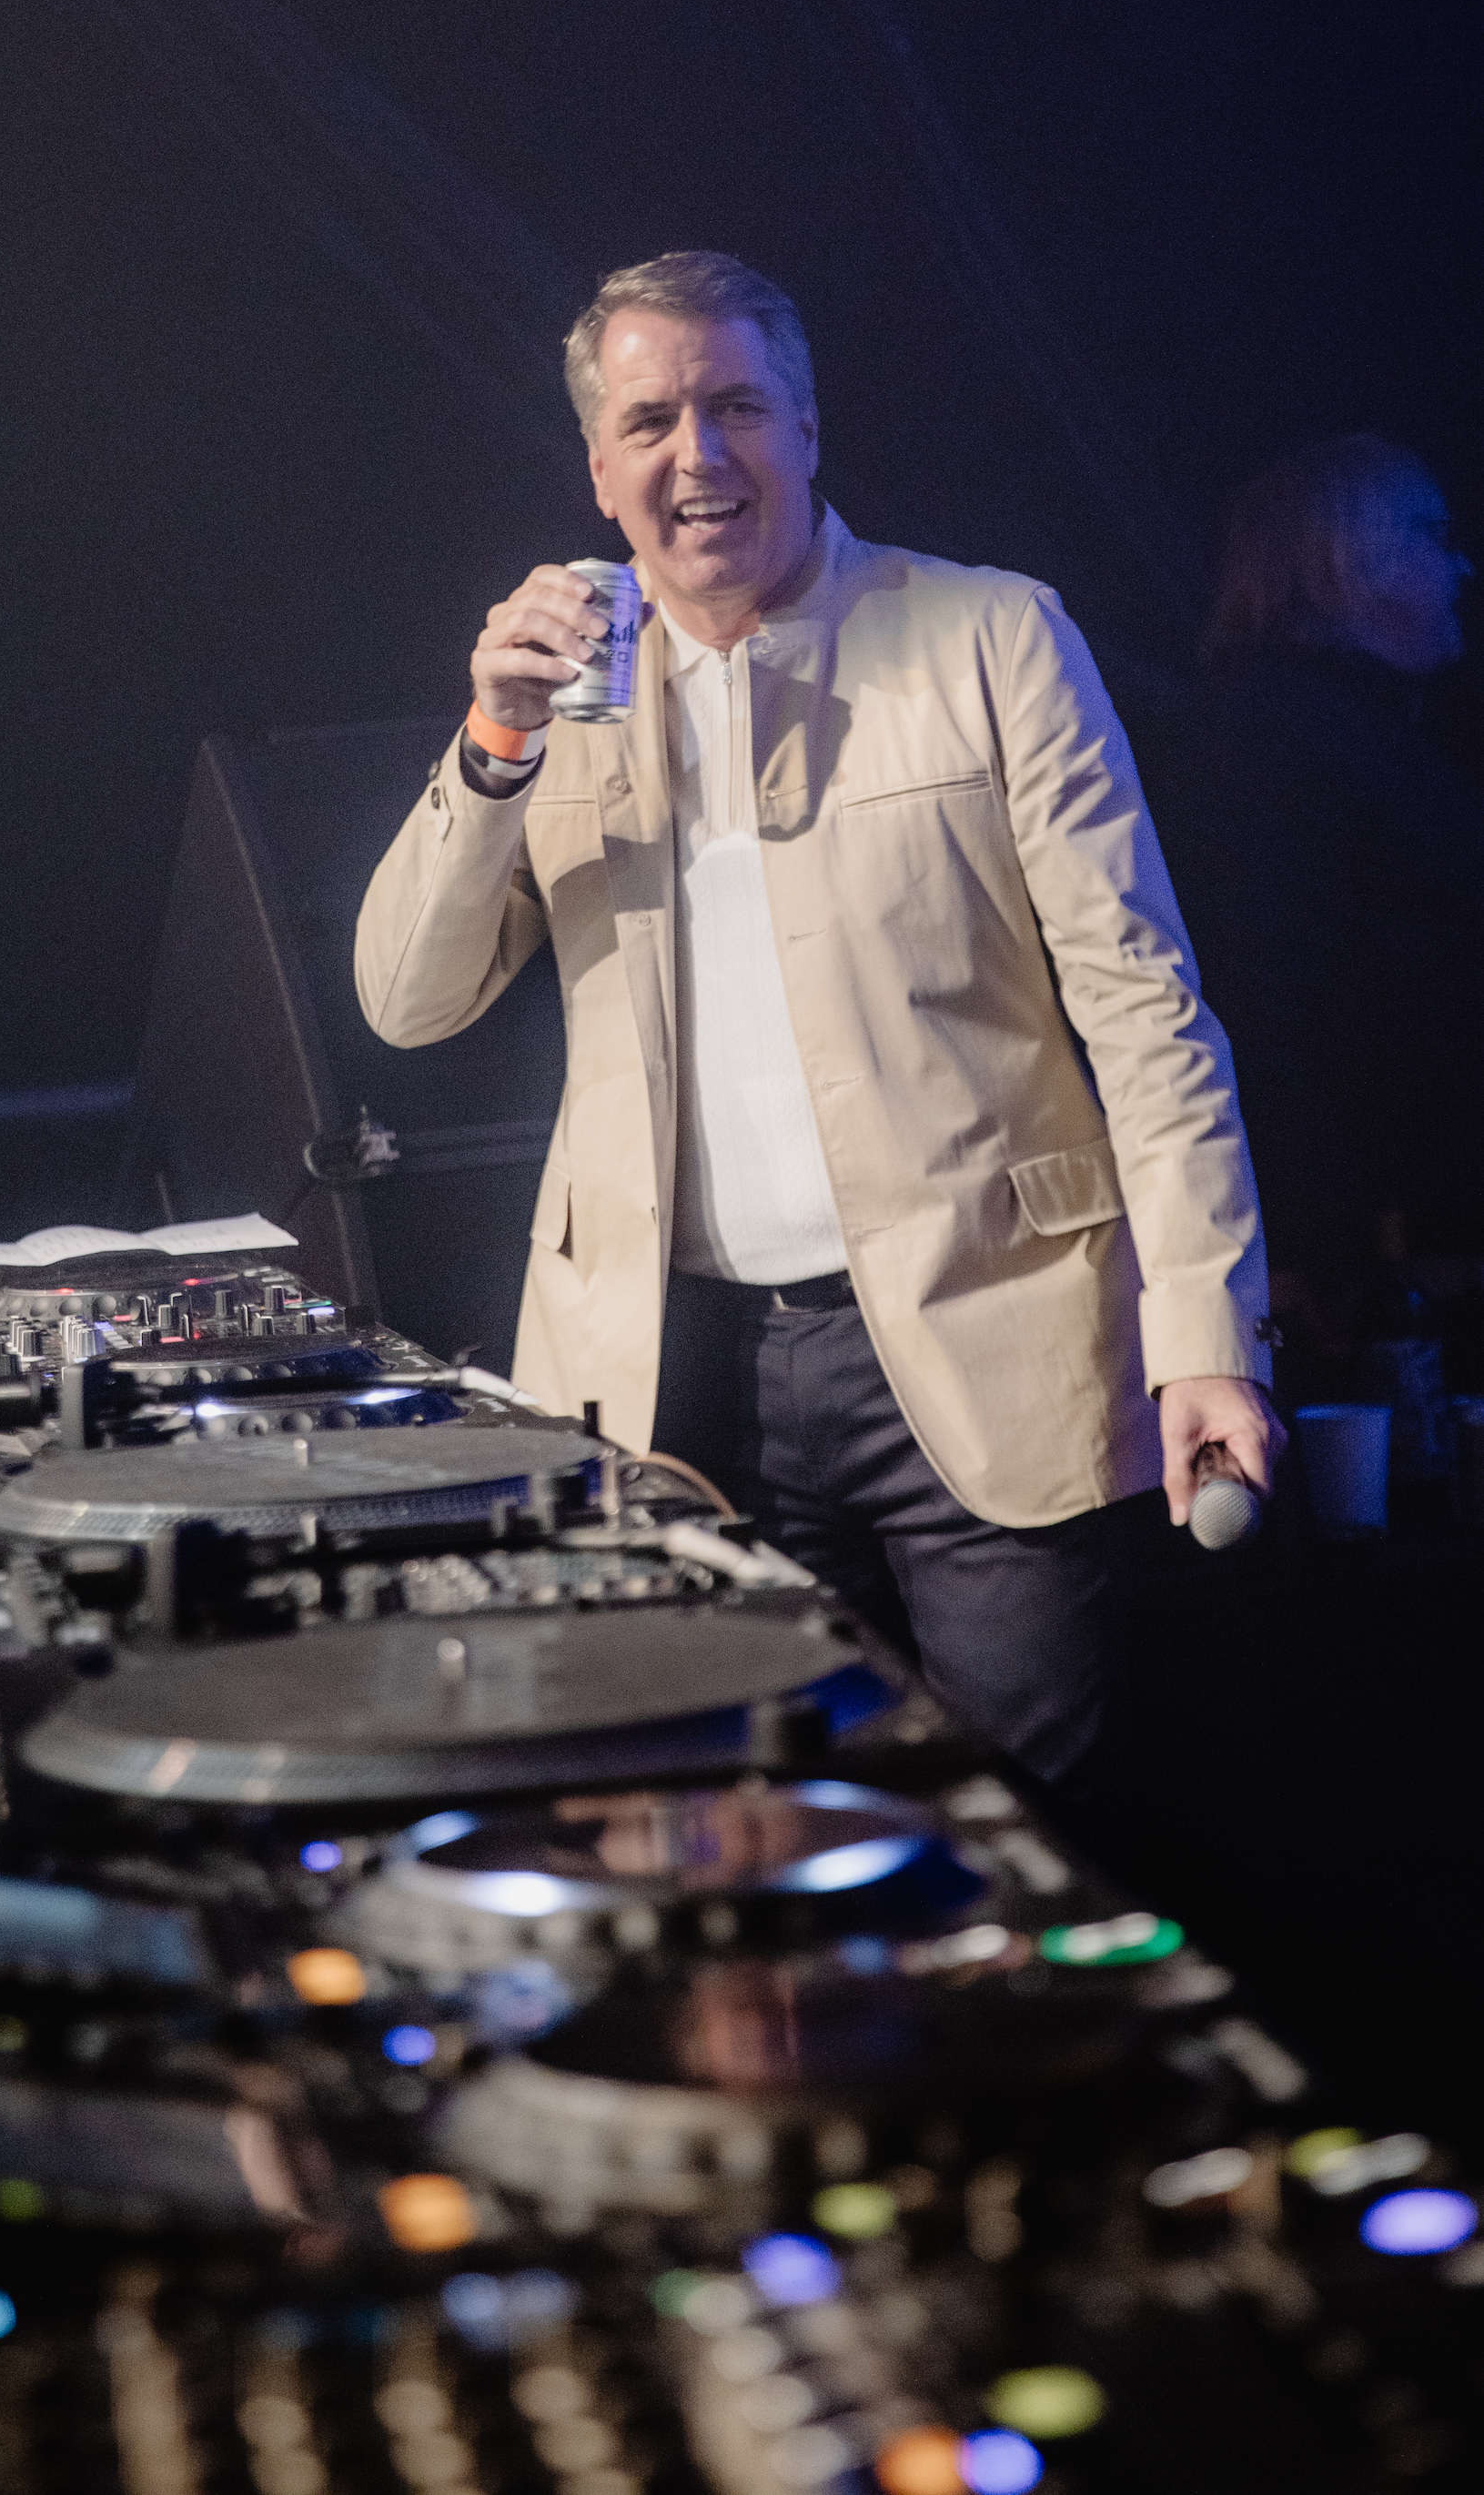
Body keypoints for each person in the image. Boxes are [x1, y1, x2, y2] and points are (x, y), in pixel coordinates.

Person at [355, 251, 1282, 1826]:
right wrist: (492, 742)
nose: (697, 456)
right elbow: (405, 1000)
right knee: (737, 1836)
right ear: (597, 466)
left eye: (736, 408)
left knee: (1021, 1837)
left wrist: (1203, 1325)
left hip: (989, 1339)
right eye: (650, 420)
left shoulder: (989, 634)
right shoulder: (564, 694)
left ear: (807, 428)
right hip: (675, 1369)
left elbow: (1143, 1003)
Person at [1139, 435, 1481, 1284]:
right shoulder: (1272, 741)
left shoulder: (1351, 733)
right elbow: (1269, 988)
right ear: (1346, 562)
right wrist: (1338, 1244)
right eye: (1431, 537)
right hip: (1378, 1245)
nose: (1462, 568)